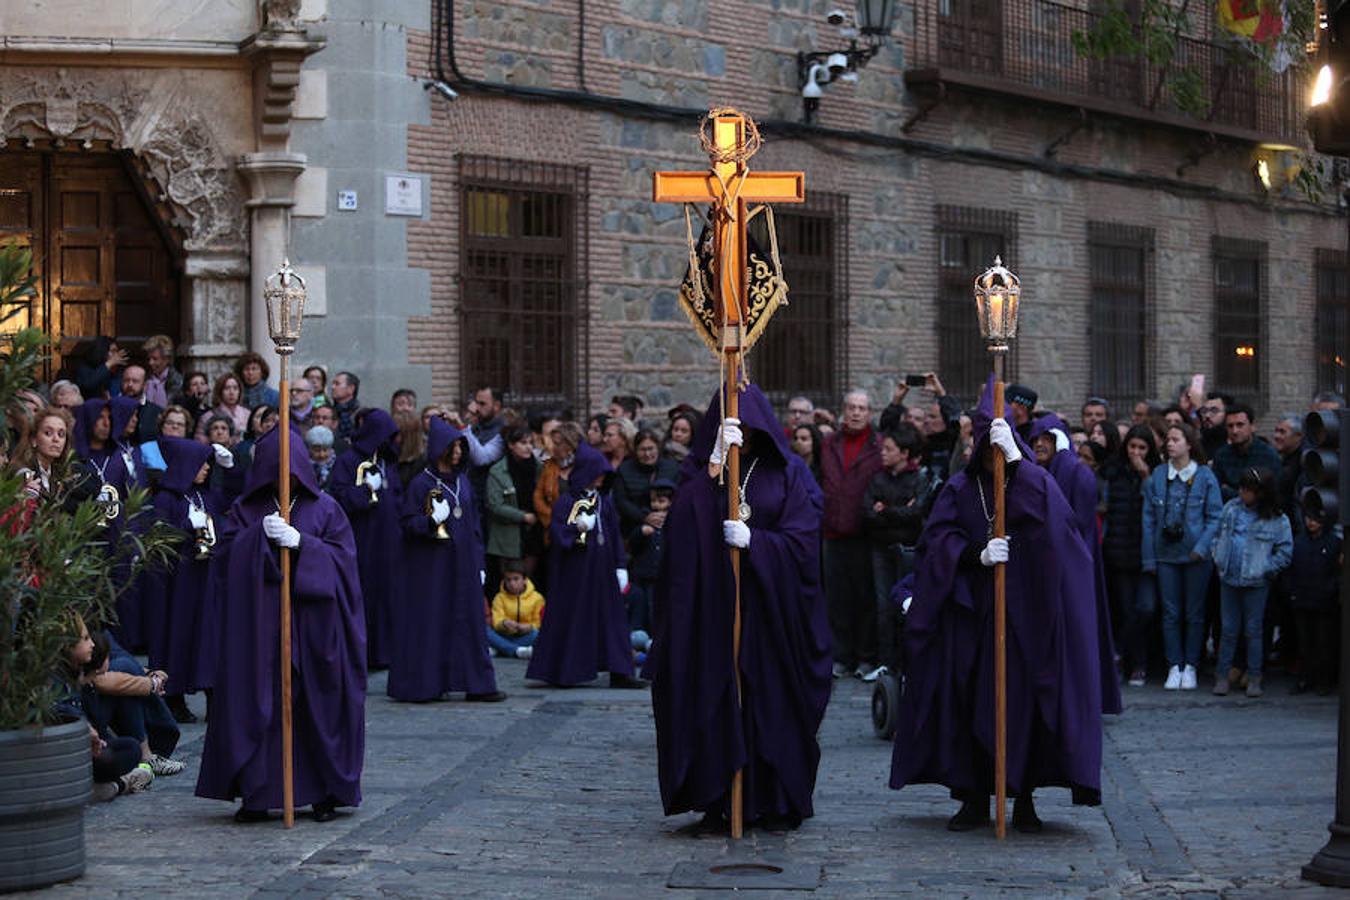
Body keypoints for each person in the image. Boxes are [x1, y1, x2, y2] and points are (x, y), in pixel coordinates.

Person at [890, 377, 1106, 834]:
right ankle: (973, 798)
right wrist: (975, 554)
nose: (992, 458)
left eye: (999, 448)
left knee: (1022, 707)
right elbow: (936, 542)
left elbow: (1062, 537)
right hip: (973, 617)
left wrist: (1018, 467)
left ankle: (1023, 797)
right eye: (987, 448)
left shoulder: (1037, 484)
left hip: (1026, 617)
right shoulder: (958, 489)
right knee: (970, 705)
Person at [649, 384, 831, 833]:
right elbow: (679, 541)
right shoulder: (700, 478)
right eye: (735, 426)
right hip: (713, 614)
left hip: (770, 615)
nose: (743, 435)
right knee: (714, 700)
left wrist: (759, 544)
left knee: (769, 705)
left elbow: (805, 540)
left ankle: (773, 797)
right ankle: (717, 797)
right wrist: (714, 466)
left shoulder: (785, 474)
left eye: (750, 427)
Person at [195, 426, 366, 823]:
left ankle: (325, 791)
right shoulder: (246, 509)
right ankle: (260, 792)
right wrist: (258, 538)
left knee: (316, 709)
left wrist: (304, 545)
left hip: (314, 628)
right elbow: (225, 564)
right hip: (261, 629)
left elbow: (346, 566)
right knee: (264, 706)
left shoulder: (326, 509)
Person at [390, 417, 505, 703]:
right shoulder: (420, 484)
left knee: (469, 621)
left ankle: (476, 682)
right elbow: (407, 524)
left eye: (459, 447)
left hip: (464, 563)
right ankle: (427, 683)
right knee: (433, 620)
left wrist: (479, 563)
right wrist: (430, 522)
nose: (457, 452)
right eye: (452, 447)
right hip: (432, 566)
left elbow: (475, 524)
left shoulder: (463, 482)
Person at [526, 442, 646, 689]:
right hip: (577, 571)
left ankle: (620, 670)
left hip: (603, 571)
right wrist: (575, 528)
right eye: (598, 473)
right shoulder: (566, 502)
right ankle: (567, 669)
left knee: (612, 620)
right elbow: (557, 534)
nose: (602, 479)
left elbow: (613, 535)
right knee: (576, 617)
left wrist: (620, 565)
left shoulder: (604, 502)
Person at [1027, 414, 1121, 714]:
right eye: (1036, 439)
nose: (1040, 444)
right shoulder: (1037, 472)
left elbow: (1079, 530)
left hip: (1072, 569)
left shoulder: (1077, 475)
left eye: (1047, 439)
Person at [143, 437, 226, 724]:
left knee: (209, 637)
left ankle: (214, 695)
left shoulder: (207, 495)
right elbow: (159, 536)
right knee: (176, 636)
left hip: (205, 579)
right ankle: (174, 698)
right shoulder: (166, 498)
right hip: (178, 582)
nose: (206, 468)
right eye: (200, 463)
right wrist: (186, 530)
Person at [1142, 422, 1222, 692]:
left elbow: (1215, 516)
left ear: (1189, 443)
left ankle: (1191, 665)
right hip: (1166, 555)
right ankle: (1174, 664)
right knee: (1170, 613)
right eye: (1168, 440)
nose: (1170, 444)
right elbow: (1148, 519)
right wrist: (1149, 558)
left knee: (1196, 613)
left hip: (1196, 556)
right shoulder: (1158, 474)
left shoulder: (1205, 476)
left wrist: (1202, 546)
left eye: (1176, 439)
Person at [327, 410, 403, 669]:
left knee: (388, 596)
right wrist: (363, 492)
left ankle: (387, 652)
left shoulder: (388, 463)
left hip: (390, 542)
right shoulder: (348, 461)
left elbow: (397, 496)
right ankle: (364, 653)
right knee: (364, 595)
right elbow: (336, 496)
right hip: (363, 539)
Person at [861, 423, 937, 680]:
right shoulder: (878, 478)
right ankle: (886, 662)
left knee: (906, 605)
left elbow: (917, 513)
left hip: (908, 550)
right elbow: (868, 514)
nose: (883, 452)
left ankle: (907, 664)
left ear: (904, 453)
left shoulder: (919, 479)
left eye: (889, 449)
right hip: (880, 549)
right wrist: (899, 510)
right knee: (882, 606)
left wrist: (888, 510)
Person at [1210, 467, 1292, 698]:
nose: (1242, 493)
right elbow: (1217, 535)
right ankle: (1223, 674)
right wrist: (1218, 555)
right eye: (1241, 488)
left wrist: (1265, 568)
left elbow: (1284, 551)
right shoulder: (1230, 509)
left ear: (1260, 493)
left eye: (1247, 489)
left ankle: (1255, 675)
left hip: (1256, 582)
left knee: (1253, 630)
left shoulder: (1276, 518)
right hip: (1229, 578)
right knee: (1228, 629)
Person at [820, 389, 883, 679]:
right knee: (837, 601)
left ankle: (866, 657)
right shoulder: (829, 444)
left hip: (864, 534)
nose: (856, 412)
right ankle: (841, 656)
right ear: (844, 410)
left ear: (870, 413)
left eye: (862, 408)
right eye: (851, 407)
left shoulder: (878, 445)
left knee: (865, 600)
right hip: (833, 533)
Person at [1103, 426, 1161, 686]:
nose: (1136, 453)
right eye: (1132, 447)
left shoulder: (1156, 475)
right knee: (1126, 610)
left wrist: (1146, 477)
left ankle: (1126, 654)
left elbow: (1159, 506)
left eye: (1142, 448)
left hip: (1146, 554)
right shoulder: (1114, 473)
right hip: (1119, 552)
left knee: (1146, 608)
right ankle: (1134, 662)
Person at [1286, 507, 1342, 695]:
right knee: (1305, 643)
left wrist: (1331, 589)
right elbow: (1291, 569)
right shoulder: (1299, 542)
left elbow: (1337, 573)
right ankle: (1306, 678)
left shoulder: (1334, 543)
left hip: (1325, 601)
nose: (1311, 522)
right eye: (1309, 518)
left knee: (1324, 643)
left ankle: (1324, 679)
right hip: (1302, 600)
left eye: (1315, 518)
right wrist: (1293, 592)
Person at [486, 424, 543, 580]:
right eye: (523, 443)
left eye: (531, 443)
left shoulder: (540, 468)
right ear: (511, 445)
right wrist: (522, 516)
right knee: (511, 581)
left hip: (534, 532)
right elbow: (494, 505)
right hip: (508, 536)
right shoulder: (498, 471)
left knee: (530, 581)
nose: (528, 447)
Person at [614, 428, 679, 545]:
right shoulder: (624, 470)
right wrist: (644, 517)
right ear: (635, 450)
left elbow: (679, 496)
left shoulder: (672, 468)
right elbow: (621, 500)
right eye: (642, 450)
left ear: (658, 448)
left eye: (651, 449)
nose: (647, 454)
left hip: (667, 530)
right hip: (634, 531)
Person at [1212, 402, 1282, 503]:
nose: (1235, 431)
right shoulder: (1221, 455)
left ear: (1252, 426)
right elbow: (1215, 491)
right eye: (1230, 426)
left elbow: (1271, 494)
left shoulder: (1268, 455)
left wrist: (1228, 491)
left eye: (1240, 425)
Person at [534, 421, 582, 539]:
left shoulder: (583, 466)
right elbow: (538, 496)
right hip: (554, 529)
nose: (552, 447)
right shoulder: (549, 466)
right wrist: (552, 519)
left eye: (557, 444)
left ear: (570, 445)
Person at [487, 560, 545, 659]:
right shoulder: (499, 598)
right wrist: (504, 623)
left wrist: (529, 627)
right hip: (504, 635)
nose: (512, 583)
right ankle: (516, 651)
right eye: (508, 580)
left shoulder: (537, 598)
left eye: (516, 579)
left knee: (537, 634)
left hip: (525, 636)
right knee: (484, 630)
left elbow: (539, 623)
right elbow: (496, 621)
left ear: (525, 580)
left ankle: (501, 649)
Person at [195, 373, 250, 442]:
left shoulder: (247, 414)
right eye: (227, 388)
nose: (231, 392)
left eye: (235, 388)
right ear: (220, 392)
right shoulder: (207, 417)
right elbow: (200, 442)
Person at [73, 336, 127, 400]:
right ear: (102, 351)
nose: (116, 354)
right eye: (113, 351)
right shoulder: (85, 368)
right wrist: (109, 364)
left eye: (117, 351)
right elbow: (88, 384)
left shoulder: (118, 371)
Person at [142, 334, 183, 410]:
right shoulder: (144, 377)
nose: (150, 362)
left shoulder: (177, 380)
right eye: (149, 359)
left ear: (166, 359)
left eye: (155, 359)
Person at [328, 371, 360, 443]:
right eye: (333, 384)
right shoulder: (328, 412)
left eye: (337, 384)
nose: (332, 387)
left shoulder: (359, 414)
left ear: (351, 388)